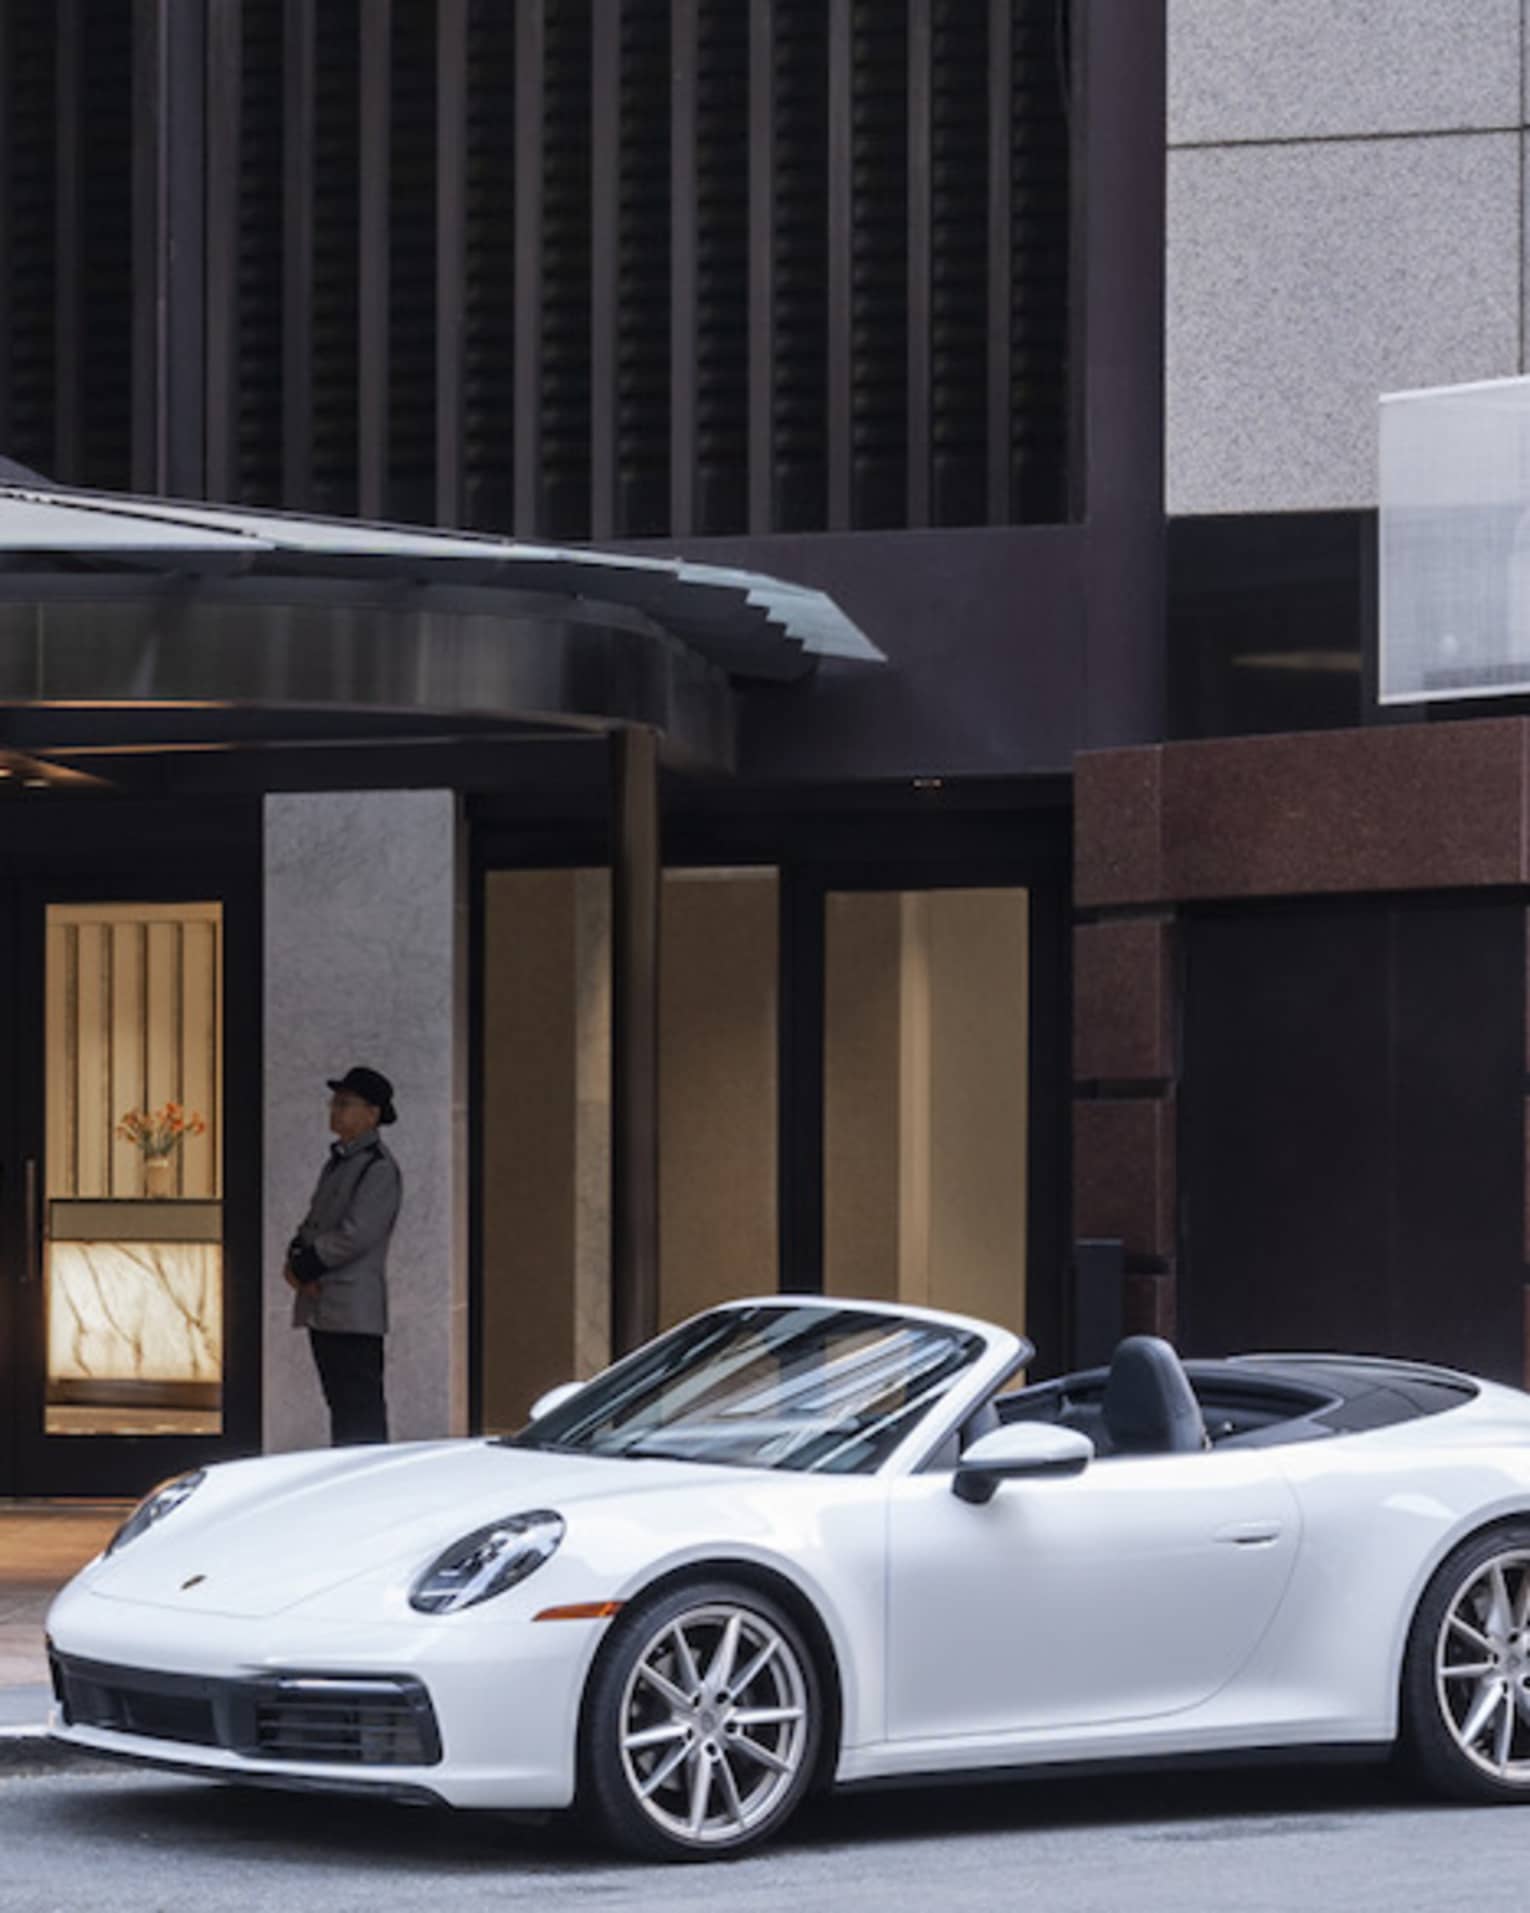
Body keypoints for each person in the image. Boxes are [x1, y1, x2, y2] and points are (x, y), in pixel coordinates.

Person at [285, 1065, 403, 1445]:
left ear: (372, 1113)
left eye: (345, 1104)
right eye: (335, 1103)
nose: (335, 1111)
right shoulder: (340, 1162)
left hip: (353, 1309)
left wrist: (307, 1264)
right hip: (326, 1305)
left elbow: (357, 1234)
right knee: (340, 1404)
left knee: (359, 1411)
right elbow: (316, 1220)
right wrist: (297, 1253)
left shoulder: (377, 1168)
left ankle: (365, 1477)